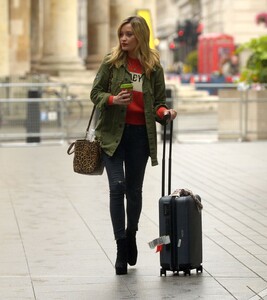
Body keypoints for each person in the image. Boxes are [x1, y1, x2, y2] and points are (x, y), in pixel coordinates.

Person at [90, 15, 177, 275]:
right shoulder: (111, 62)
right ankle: (120, 247)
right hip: (112, 136)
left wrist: (165, 114)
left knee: (134, 191)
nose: (124, 39)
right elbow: (95, 93)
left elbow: (158, 103)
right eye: (121, 34)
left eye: (129, 34)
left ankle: (131, 234)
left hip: (140, 136)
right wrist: (113, 99)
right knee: (117, 187)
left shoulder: (153, 67)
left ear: (140, 36)